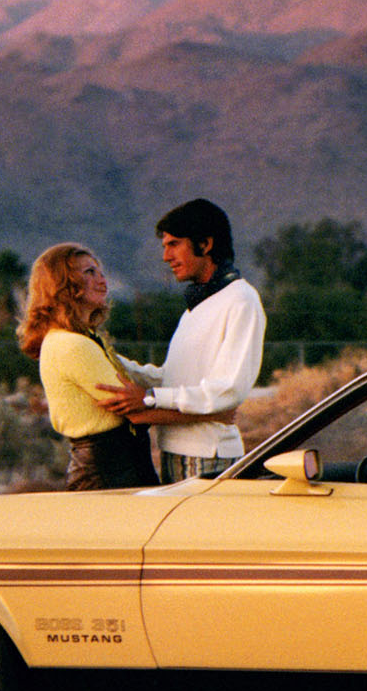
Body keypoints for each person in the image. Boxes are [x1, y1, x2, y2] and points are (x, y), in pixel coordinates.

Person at [97, 198, 265, 483]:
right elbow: (173, 379)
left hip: (209, 455)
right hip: (174, 451)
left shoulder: (241, 299)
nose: (166, 256)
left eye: (174, 244)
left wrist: (149, 398)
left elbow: (227, 392)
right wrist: (105, 357)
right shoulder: (197, 305)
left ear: (206, 244)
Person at [17, 243, 160, 491]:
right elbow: (135, 410)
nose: (102, 280)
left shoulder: (85, 339)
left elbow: (142, 377)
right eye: (89, 272)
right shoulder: (71, 344)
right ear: (62, 284)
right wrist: (210, 414)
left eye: (100, 272)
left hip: (118, 469)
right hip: (106, 476)